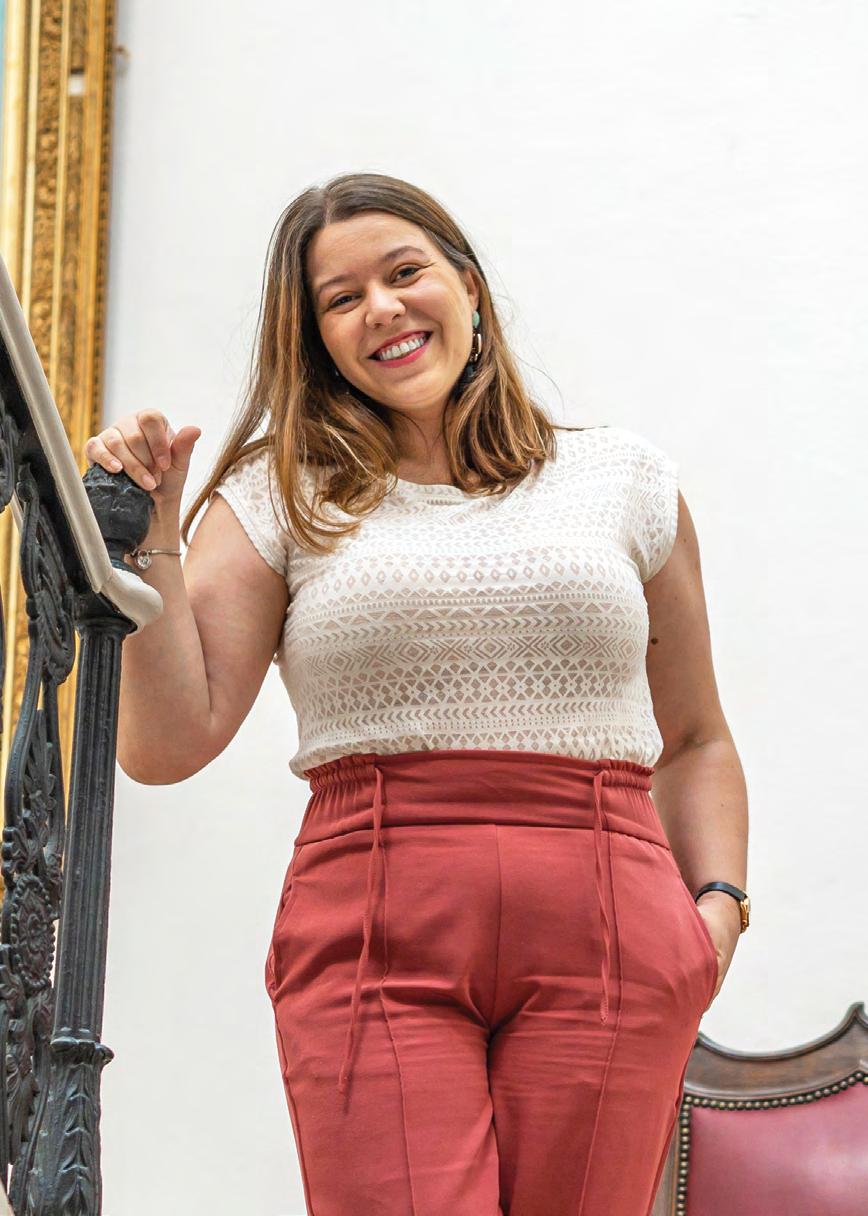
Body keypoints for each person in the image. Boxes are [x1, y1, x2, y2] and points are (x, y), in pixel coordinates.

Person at [86, 171, 750, 1214]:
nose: (382, 308)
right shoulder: (274, 493)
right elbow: (166, 745)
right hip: (372, 923)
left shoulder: (622, 479)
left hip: (614, 917)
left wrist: (717, 910)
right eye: (341, 298)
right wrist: (154, 538)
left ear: (469, 288)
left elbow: (698, 736)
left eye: (405, 273)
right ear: (316, 340)